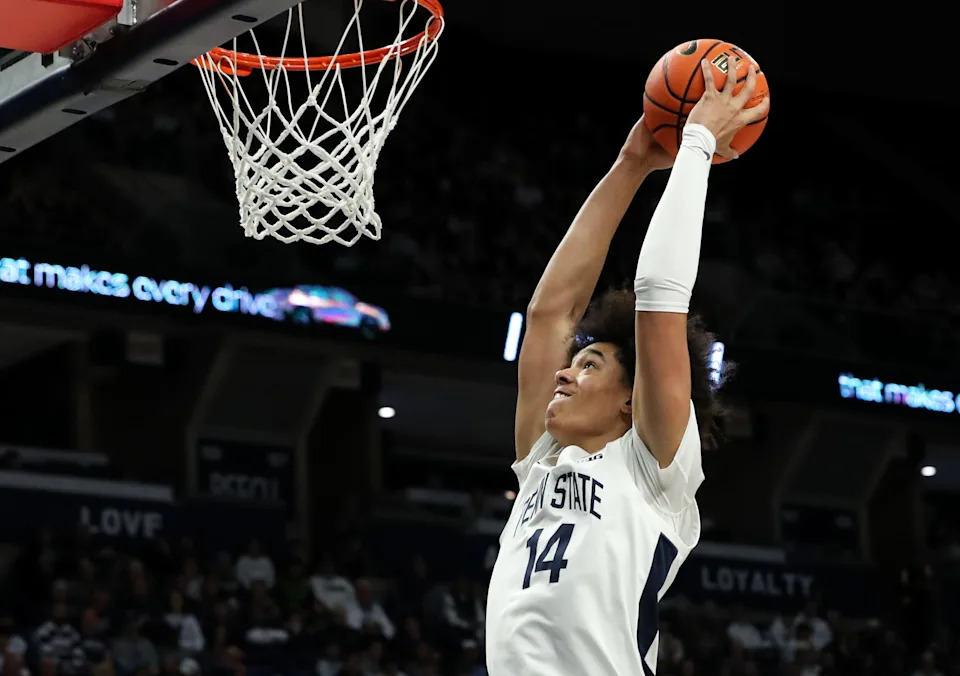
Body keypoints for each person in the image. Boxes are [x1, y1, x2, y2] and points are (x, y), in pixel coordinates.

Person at [485, 58, 770, 675]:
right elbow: (548, 315)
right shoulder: (541, 461)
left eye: (587, 366)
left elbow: (660, 295)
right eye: (575, 362)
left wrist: (696, 142)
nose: (563, 373)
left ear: (629, 401)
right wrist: (630, 165)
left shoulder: (652, 467)